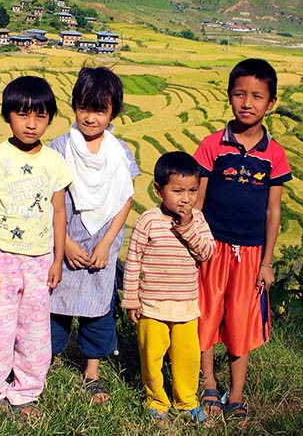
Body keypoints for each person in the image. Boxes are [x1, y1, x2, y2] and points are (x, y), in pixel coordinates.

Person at [193, 58, 293, 422]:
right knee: (206, 316)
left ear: (272, 102)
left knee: (240, 320)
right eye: (239, 94)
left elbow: (273, 212)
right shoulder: (212, 145)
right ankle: (208, 385)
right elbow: (198, 200)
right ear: (229, 97)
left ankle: (236, 395)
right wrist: (194, 245)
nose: (247, 103)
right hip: (212, 248)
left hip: (251, 254)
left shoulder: (274, 153)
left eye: (257, 96)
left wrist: (267, 262)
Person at [0, 75, 73, 420]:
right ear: (7, 115)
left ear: (50, 118)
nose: (31, 124)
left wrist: (58, 259)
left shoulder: (55, 163)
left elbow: (59, 213)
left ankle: (26, 392)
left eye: (40, 116)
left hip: (40, 259)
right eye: (22, 115)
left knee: (34, 332)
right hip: (2, 256)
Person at [48, 67, 139, 405]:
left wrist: (106, 242)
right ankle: (44, 363)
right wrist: (65, 244)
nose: (90, 117)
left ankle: (92, 373)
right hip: (64, 239)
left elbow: (125, 198)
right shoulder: (58, 148)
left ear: (113, 112)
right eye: (84, 108)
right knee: (54, 307)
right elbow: (47, 197)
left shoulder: (120, 152)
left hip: (103, 243)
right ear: (74, 106)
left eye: (100, 110)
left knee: (98, 309)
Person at [121, 151, 215, 422]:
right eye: (177, 191)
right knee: (151, 357)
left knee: (187, 358)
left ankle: (186, 401)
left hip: (186, 306)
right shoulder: (148, 221)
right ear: (158, 190)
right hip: (152, 305)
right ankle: (156, 399)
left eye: (192, 190)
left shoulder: (197, 220)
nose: (186, 198)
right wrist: (131, 299)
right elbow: (133, 260)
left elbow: (206, 252)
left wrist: (187, 227)